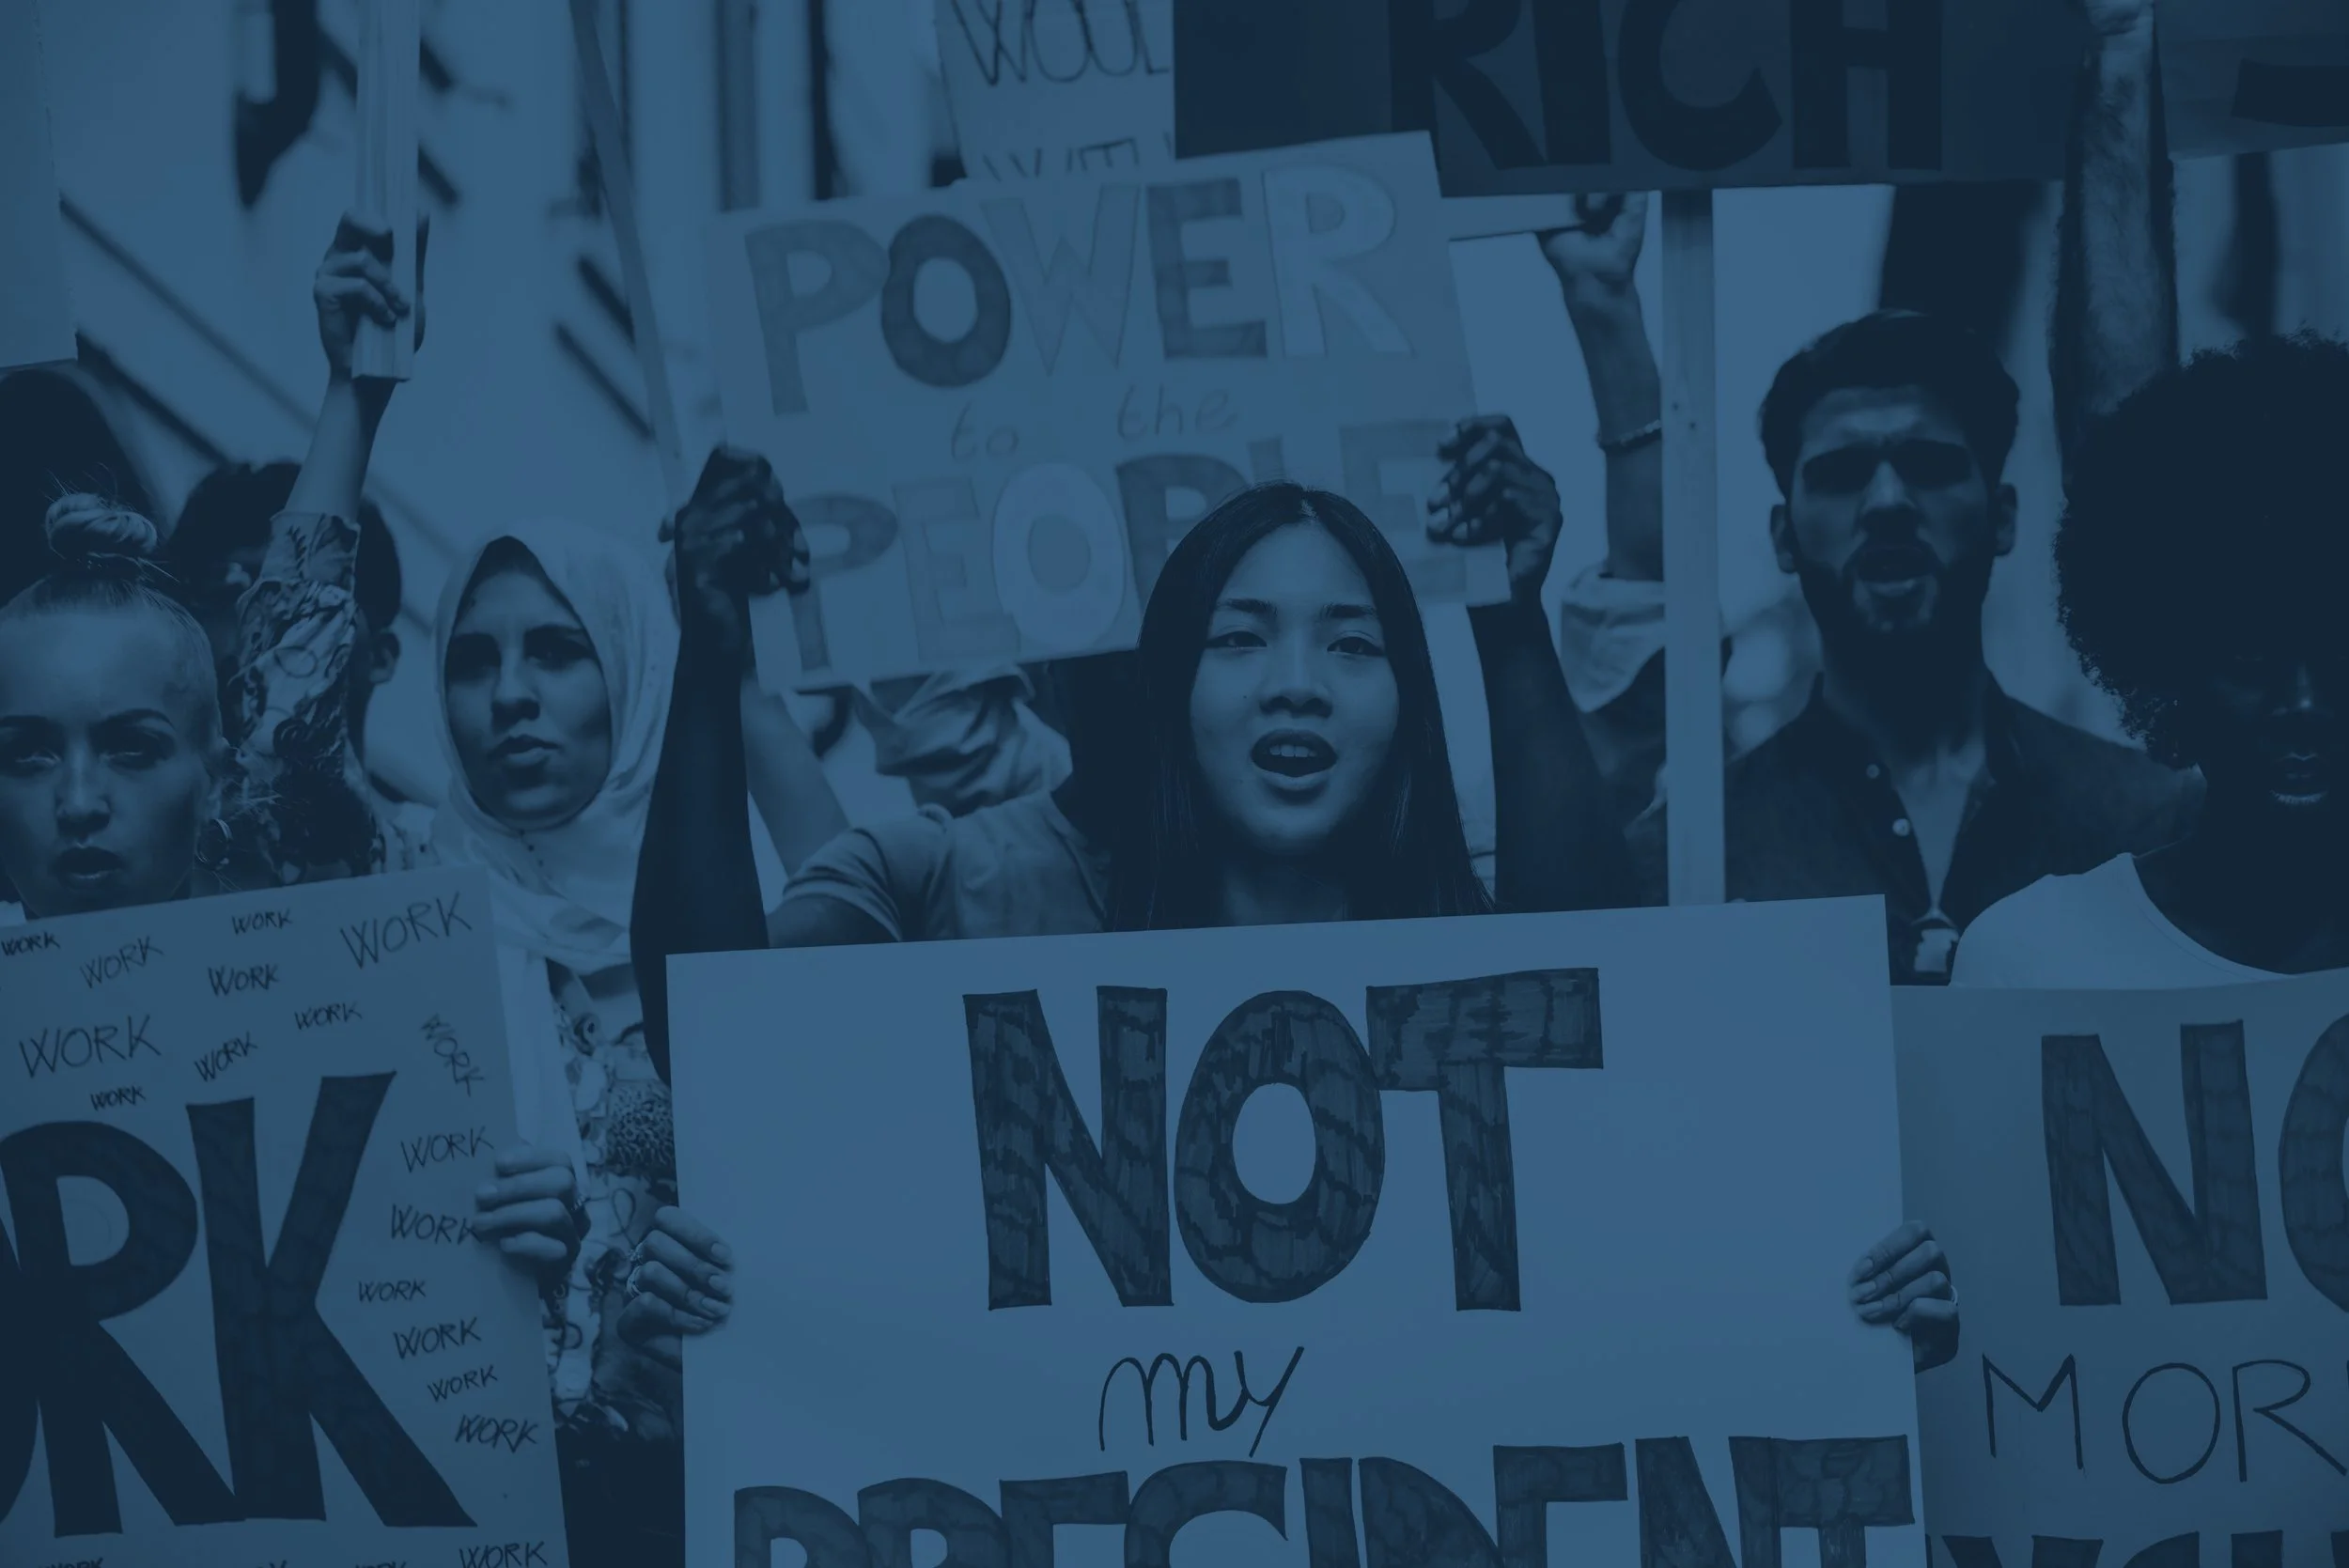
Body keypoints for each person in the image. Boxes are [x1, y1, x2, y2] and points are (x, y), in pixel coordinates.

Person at [619, 449, 1957, 1378]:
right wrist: (710, 653)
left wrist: (1838, 1305)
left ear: (1409, 710)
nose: (1298, 685)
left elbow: (1598, 1008)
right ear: (1167, 696)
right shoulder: (960, 904)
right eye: (1241, 639)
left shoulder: (1480, 972)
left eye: (1356, 644)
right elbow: (724, 1047)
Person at [1620, 305, 2198, 983]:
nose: (1889, 501)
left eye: (1929, 465)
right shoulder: (1683, 860)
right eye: (1842, 472)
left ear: (2003, 516)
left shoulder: (2153, 820)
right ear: (1784, 536)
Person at [1955, 0, 2349, 986]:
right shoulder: (2034, 958)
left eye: (2336, 648)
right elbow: (2125, 448)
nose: (2302, 702)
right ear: (2166, 658)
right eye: (2254, 659)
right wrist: (2121, 61)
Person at [167, 458, 432, 844]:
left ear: (381, 655)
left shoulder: (441, 858)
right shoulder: (153, 863)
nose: (259, 628)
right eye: (224, 597)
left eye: (304, 604)